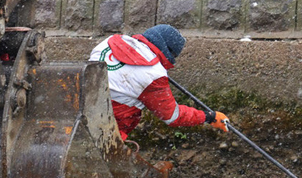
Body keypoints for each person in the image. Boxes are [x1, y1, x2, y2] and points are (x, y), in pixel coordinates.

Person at [89, 24, 229, 141]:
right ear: (169, 52)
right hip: (107, 128)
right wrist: (209, 117)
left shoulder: (110, 42)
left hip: (81, 105)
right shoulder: (153, 75)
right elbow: (172, 116)